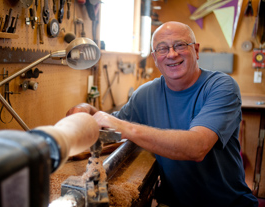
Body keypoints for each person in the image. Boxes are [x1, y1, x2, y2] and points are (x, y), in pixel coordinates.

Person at [66, 21, 258, 206]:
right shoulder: (146, 93)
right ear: (155, 57)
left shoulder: (221, 86)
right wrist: (85, 110)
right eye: (162, 48)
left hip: (226, 203)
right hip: (174, 202)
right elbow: (110, 126)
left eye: (180, 45)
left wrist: (125, 128)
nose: (172, 54)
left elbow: (197, 147)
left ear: (196, 50)